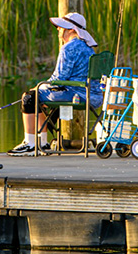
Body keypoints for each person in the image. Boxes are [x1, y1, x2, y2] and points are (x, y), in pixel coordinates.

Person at [7, 12, 103, 156]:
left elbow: (59, 78)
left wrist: (39, 86)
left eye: (61, 27)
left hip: (76, 94)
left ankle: (31, 143)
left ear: (71, 30)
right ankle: (42, 143)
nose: (58, 29)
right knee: (39, 96)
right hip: (94, 96)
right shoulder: (88, 48)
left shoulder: (68, 48)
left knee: (29, 97)